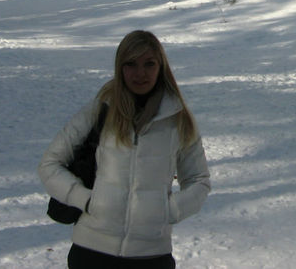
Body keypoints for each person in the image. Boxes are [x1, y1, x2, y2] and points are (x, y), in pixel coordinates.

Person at [39, 30, 210, 268]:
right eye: (131, 64)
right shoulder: (100, 110)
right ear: (120, 67)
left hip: (151, 255)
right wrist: (86, 200)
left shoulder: (178, 119)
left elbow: (199, 180)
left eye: (149, 64)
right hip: (91, 252)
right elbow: (49, 164)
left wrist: (169, 211)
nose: (140, 73)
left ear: (161, 67)